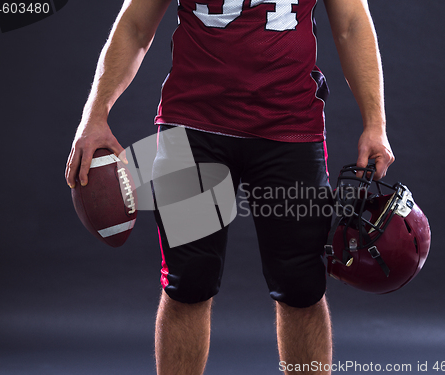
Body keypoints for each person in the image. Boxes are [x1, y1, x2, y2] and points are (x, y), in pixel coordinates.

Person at [65, 0, 394, 373]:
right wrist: (94, 114)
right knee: (187, 284)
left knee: (302, 286)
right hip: (194, 129)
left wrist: (375, 123)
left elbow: (351, 23)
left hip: (289, 127)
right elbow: (135, 26)